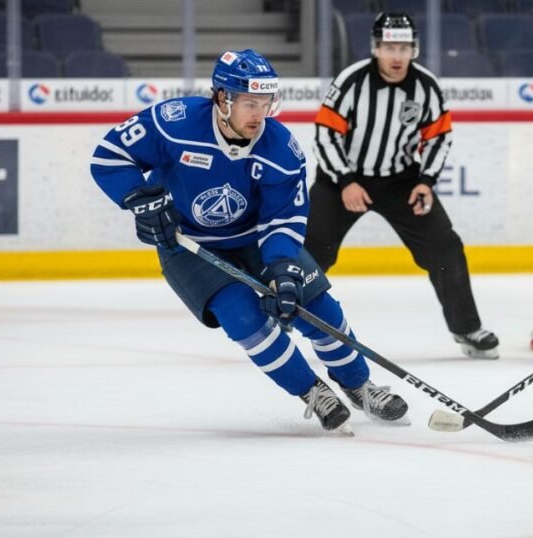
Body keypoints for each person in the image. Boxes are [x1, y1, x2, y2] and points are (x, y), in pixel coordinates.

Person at [89, 49, 409, 434]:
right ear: (223, 99)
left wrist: (282, 269)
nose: (259, 115)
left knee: (316, 305)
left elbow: (283, 218)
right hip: (190, 247)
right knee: (243, 318)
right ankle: (312, 392)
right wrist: (140, 199)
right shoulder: (173, 122)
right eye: (250, 103)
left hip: (256, 238)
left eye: (266, 103)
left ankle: (359, 384)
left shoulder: (280, 149)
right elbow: (109, 156)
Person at [307, 12, 499, 359]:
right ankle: (286, 313)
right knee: (312, 249)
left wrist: (426, 182)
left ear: (415, 49)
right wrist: (346, 181)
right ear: (375, 48)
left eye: (404, 47)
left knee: (445, 248)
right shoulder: (351, 82)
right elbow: (324, 135)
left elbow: (439, 138)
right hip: (341, 179)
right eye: (390, 47)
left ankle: (466, 327)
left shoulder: (425, 86)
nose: (397, 56)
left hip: (401, 180)